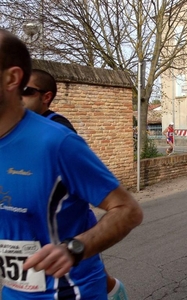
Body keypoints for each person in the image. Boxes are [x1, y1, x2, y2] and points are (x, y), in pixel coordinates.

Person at [0, 29, 143, 299]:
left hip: (69, 293)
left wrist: (74, 248)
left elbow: (128, 210)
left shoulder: (57, 143)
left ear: (11, 78)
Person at [21, 69, 128, 300]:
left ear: (45, 97)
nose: (17, 96)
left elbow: (125, 207)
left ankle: (116, 292)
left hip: (69, 226)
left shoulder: (60, 133)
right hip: (32, 230)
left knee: (87, 275)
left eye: (26, 91)